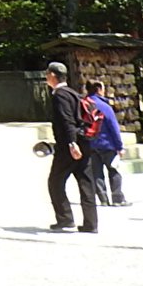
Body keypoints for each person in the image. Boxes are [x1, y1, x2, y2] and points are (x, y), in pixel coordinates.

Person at [43, 61, 99, 232]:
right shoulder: (74, 93)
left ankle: (65, 218)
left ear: (53, 75)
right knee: (86, 182)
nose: (46, 77)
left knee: (55, 181)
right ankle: (91, 223)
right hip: (84, 142)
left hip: (69, 146)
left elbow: (67, 120)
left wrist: (71, 143)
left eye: (47, 74)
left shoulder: (59, 95)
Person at [83, 78, 129, 207]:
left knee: (97, 173)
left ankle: (103, 198)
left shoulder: (83, 104)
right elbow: (113, 127)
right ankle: (117, 198)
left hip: (91, 144)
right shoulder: (105, 106)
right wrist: (119, 146)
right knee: (114, 170)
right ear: (99, 90)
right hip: (107, 144)